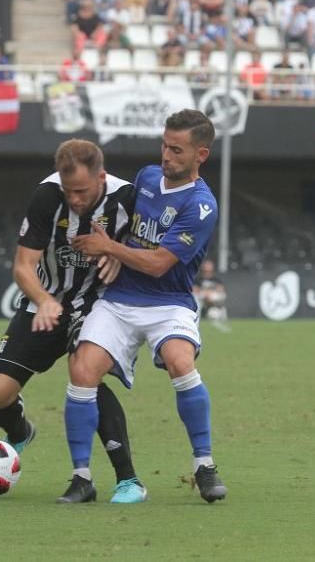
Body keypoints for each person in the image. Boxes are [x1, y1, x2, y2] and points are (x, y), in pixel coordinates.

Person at [65, 109, 227, 505]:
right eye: (164, 145)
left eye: (176, 150)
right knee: (82, 370)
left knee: (180, 362)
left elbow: (158, 264)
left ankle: (204, 466)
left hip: (168, 303)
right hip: (119, 299)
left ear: (200, 154)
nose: (166, 156)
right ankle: (82, 478)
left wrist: (109, 248)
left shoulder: (201, 206)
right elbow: (127, 228)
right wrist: (115, 248)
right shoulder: (147, 177)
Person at [0, 139, 146, 503]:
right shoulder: (46, 196)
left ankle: (128, 480)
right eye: (68, 190)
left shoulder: (128, 199)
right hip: (47, 302)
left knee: (85, 374)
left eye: (82, 191)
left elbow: (149, 251)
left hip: (98, 304)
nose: (74, 199)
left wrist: (120, 254)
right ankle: (21, 432)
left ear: (101, 177)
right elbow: (23, 267)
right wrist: (43, 301)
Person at [194, 259, 230, 333]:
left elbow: (220, 289)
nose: (208, 268)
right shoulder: (198, 279)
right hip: (202, 296)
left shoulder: (216, 279)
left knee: (219, 296)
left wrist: (210, 293)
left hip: (213, 296)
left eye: (209, 266)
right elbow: (194, 289)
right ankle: (197, 319)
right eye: (206, 266)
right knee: (196, 298)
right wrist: (205, 293)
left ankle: (219, 311)